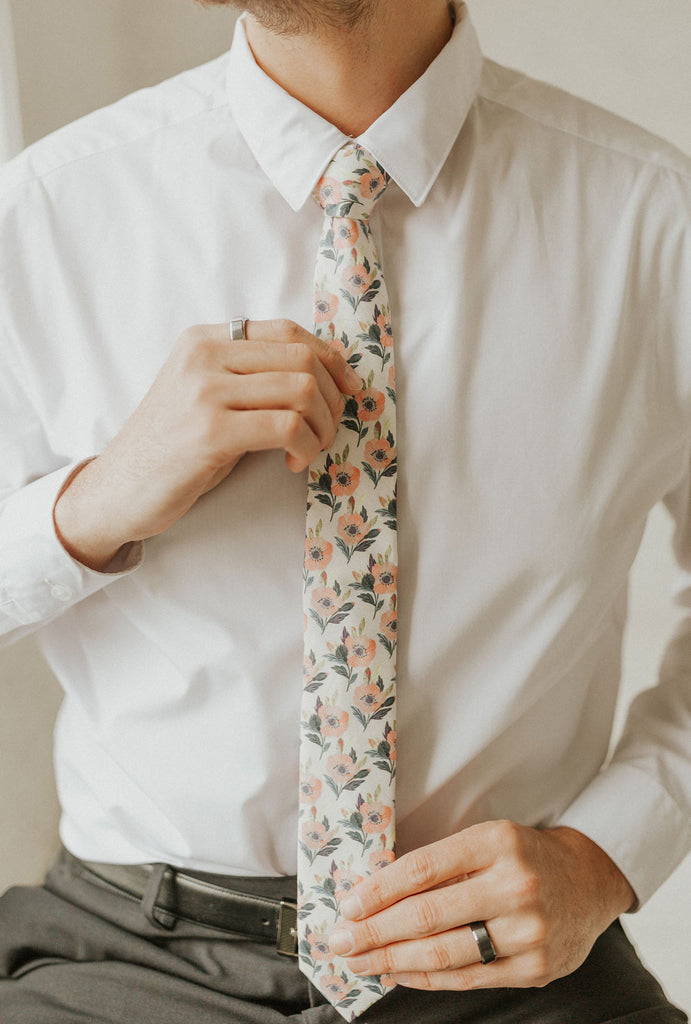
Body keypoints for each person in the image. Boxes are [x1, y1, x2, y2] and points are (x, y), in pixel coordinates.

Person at [0, 0, 689, 1021]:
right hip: (125, 964)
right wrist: (92, 500)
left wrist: (605, 854)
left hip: (508, 976)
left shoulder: (653, 223)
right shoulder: (48, 214)